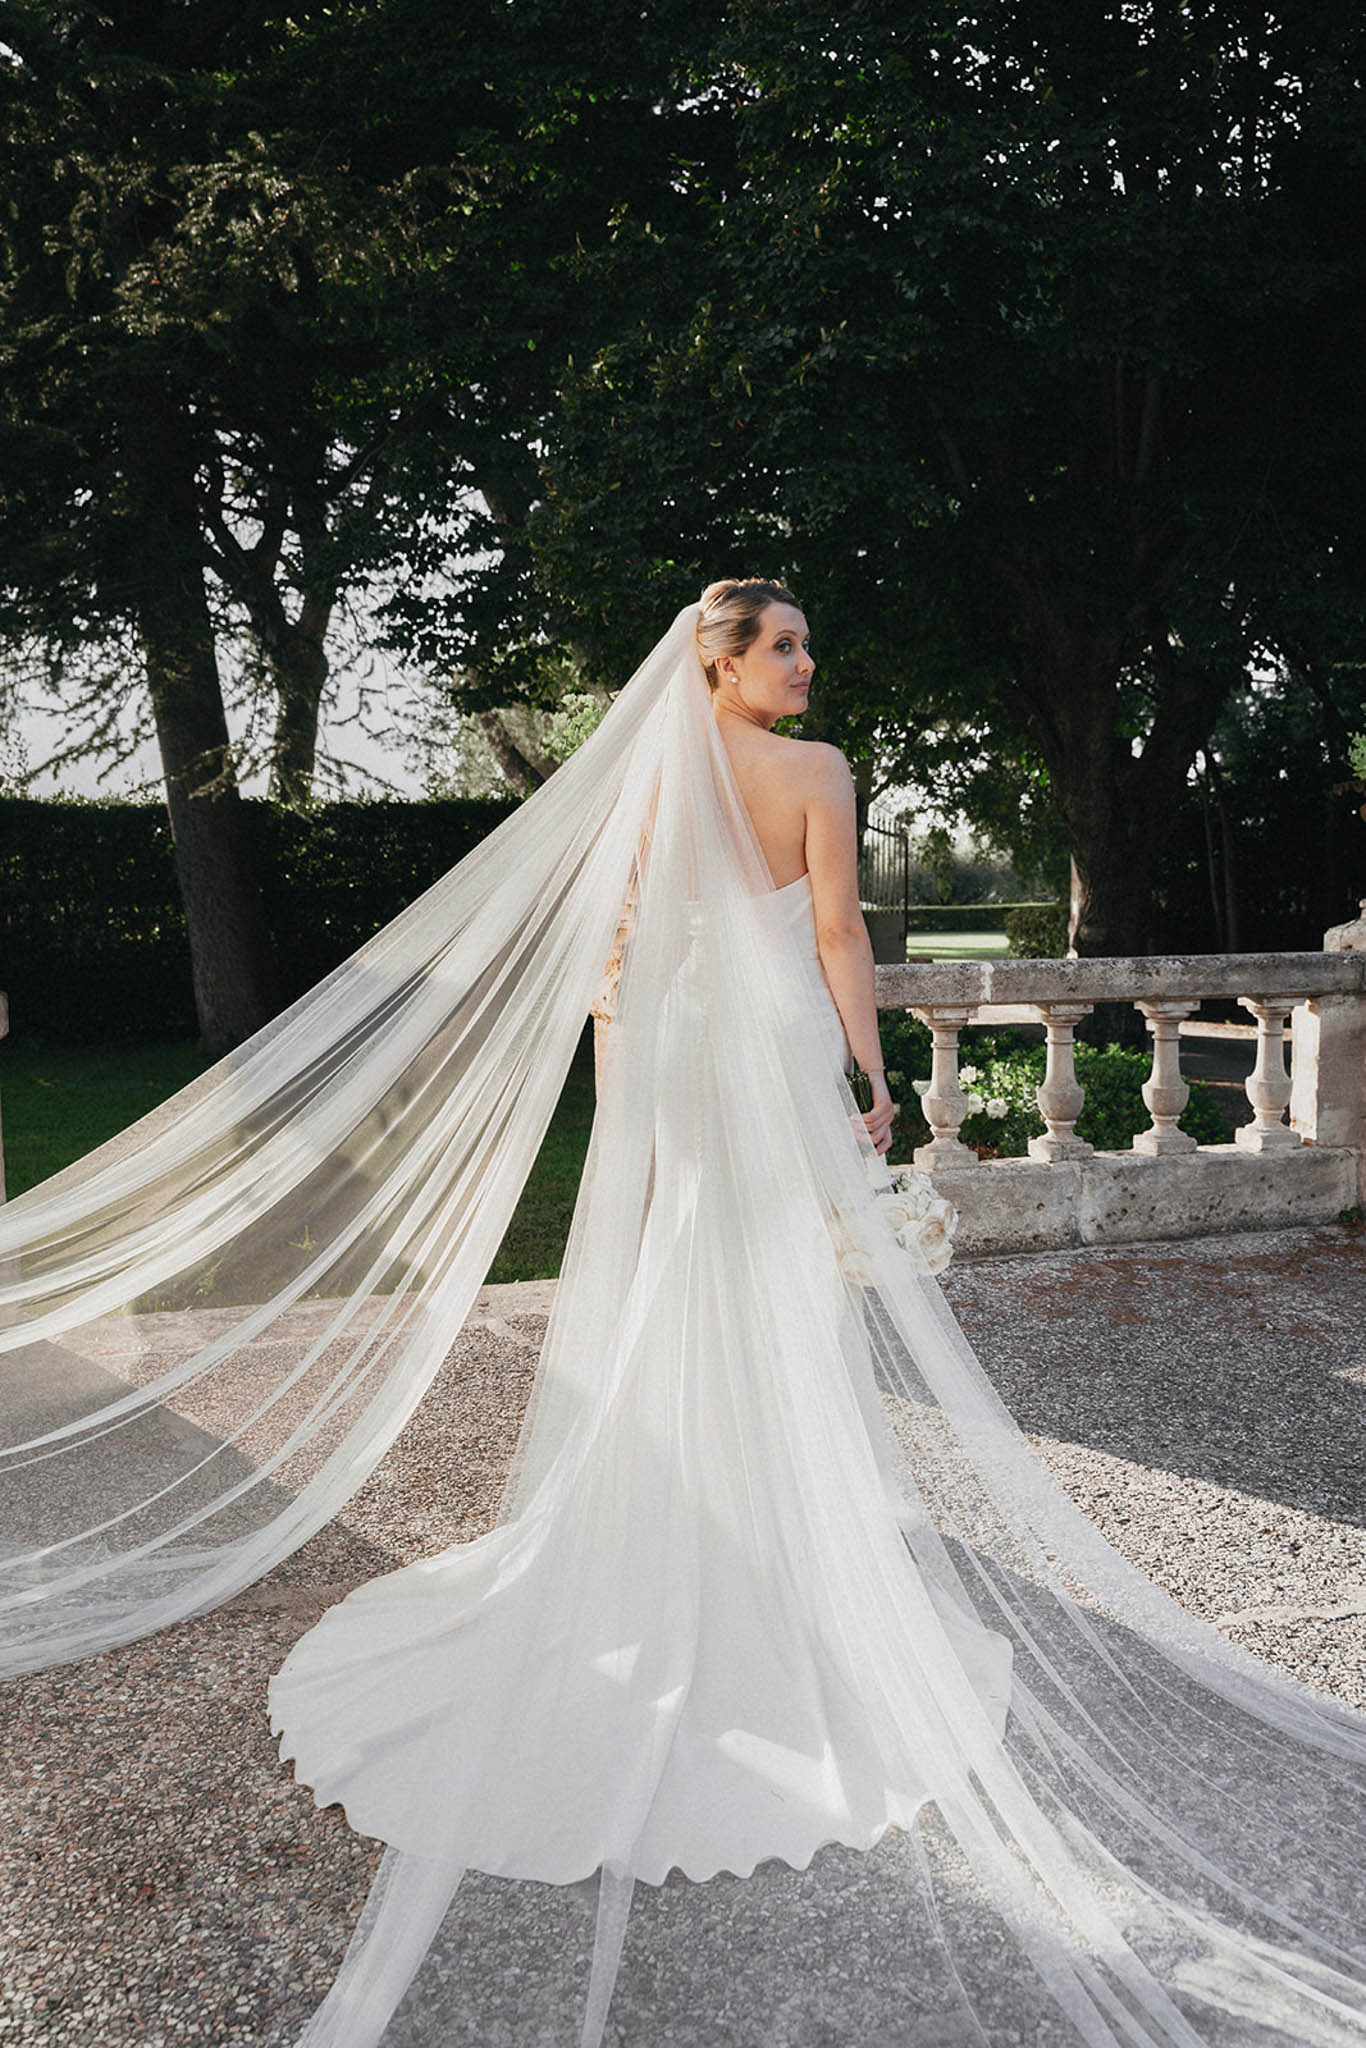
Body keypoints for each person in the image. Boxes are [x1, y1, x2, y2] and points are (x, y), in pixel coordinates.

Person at [3, 583, 1366, 2047]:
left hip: (674, 1046)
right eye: (782, 644)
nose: (805, 661)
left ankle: (699, 1514)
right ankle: (775, 1527)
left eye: (803, 641)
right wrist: (871, 1073)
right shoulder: (817, 770)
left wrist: (636, 1080)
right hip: (770, 1039)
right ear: (718, 665)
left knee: (689, 1270)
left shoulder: (650, 771)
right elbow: (838, 930)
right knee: (780, 1280)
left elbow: (619, 951)